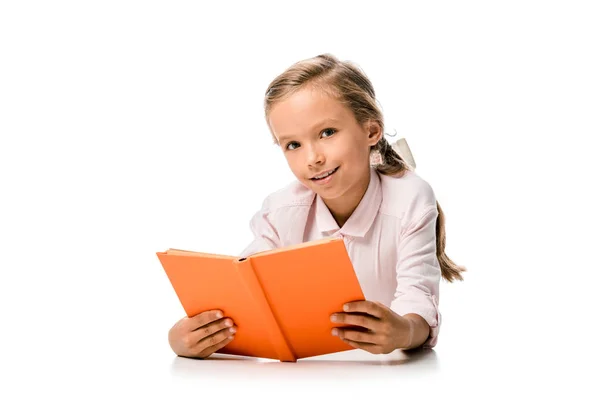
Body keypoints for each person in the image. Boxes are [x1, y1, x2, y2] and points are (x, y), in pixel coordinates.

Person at [168, 53, 465, 359]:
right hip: (305, 373)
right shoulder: (281, 210)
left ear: (371, 131)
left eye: (327, 133)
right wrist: (187, 338)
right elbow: (246, 292)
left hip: (383, 377)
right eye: (293, 145)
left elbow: (417, 298)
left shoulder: (410, 199)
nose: (313, 158)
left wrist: (403, 331)